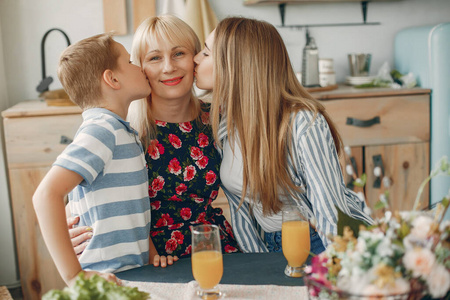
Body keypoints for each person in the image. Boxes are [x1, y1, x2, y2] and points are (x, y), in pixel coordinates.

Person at [68, 15, 239, 267]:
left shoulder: (218, 118)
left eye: (179, 53)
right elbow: (77, 191)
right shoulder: (124, 130)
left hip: (213, 249)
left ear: (196, 58)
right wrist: (70, 222)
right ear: (139, 68)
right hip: (147, 260)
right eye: (155, 57)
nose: (168, 67)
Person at [193, 17, 373, 254]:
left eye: (206, 53)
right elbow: (242, 214)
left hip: (319, 241)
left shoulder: (304, 122)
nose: (196, 58)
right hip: (271, 246)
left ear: (236, 65)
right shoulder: (223, 122)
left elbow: (332, 213)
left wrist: (339, 274)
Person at [33, 33, 152, 285]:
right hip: (107, 275)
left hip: (132, 272)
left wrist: (152, 256)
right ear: (112, 78)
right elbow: (45, 195)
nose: (139, 67)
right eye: (130, 62)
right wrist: (74, 275)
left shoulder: (120, 131)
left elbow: (131, 208)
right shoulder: (102, 130)